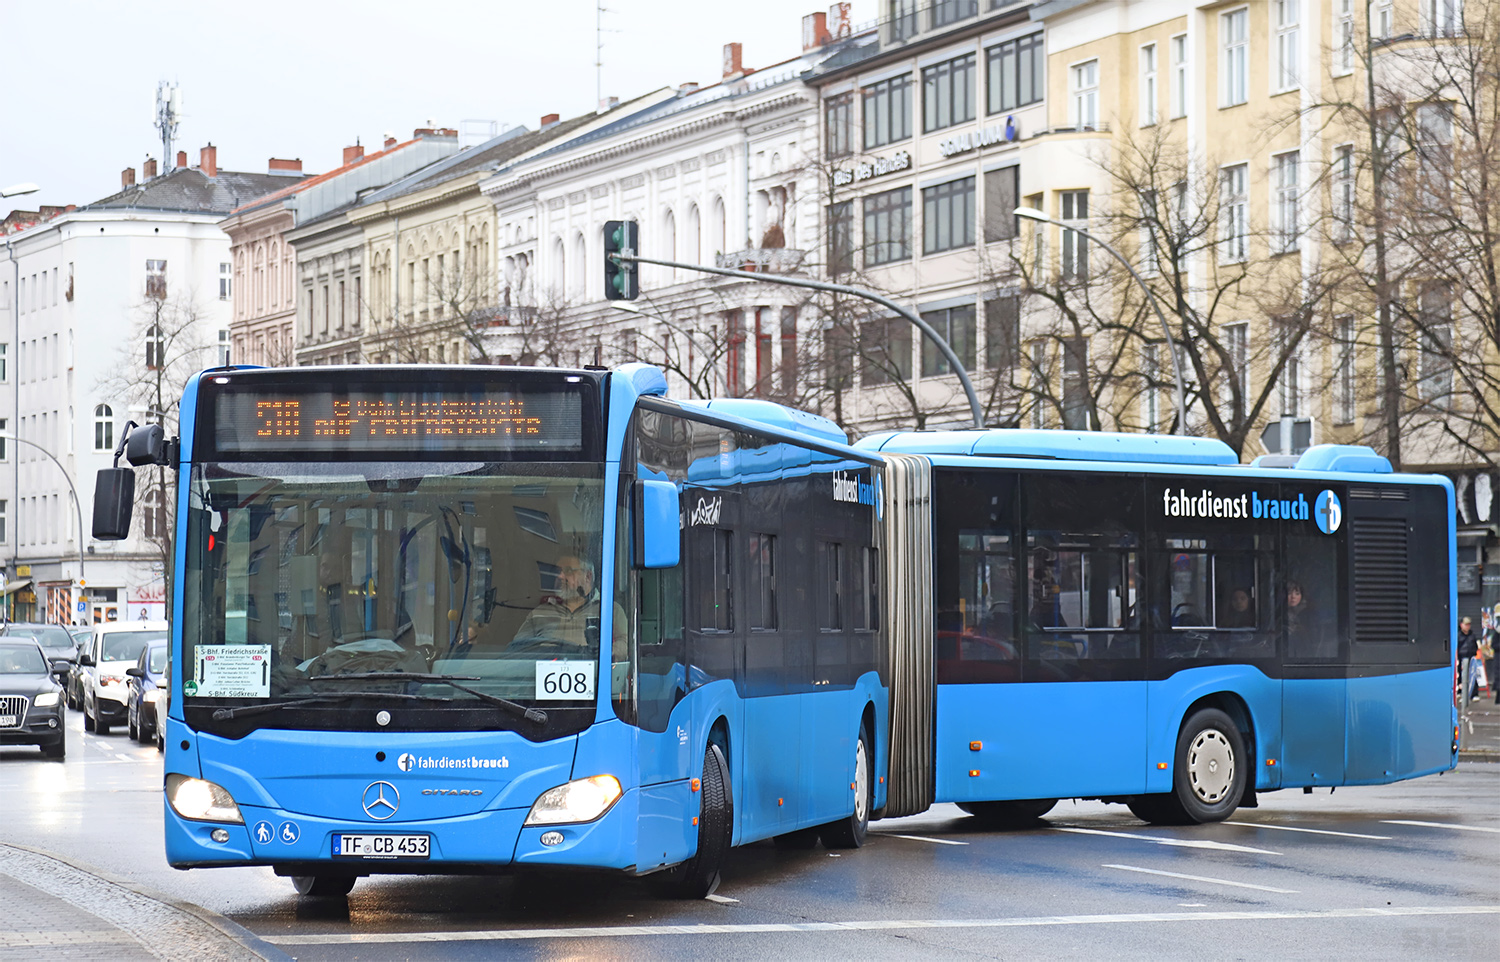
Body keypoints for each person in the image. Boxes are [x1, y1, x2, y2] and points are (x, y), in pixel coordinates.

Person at [510, 555, 627, 651]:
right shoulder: (540, 612)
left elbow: (625, 644)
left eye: (568, 571)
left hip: (594, 676)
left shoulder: (610, 609)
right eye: (558, 571)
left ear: (588, 576)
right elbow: (517, 648)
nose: (560, 576)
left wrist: (598, 655)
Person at [1457, 616, 1480, 703]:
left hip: (1470, 658)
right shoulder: (1458, 635)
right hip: (1461, 659)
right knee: (1461, 677)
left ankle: (1474, 694)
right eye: (1466, 624)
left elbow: (1475, 646)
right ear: (1461, 625)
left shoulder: (1472, 635)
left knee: (1472, 676)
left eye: (1469, 625)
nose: (1467, 626)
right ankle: (1462, 693)